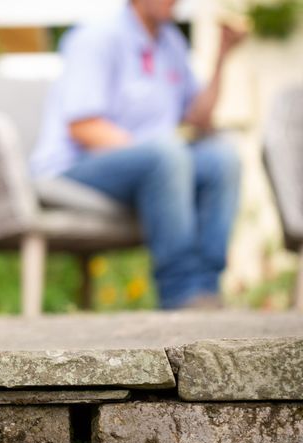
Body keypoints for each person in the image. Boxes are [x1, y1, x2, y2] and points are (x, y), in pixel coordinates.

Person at [30, 0, 246, 309]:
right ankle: (181, 293)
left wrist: (223, 55)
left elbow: (198, 119)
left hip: (154, 163)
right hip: (74, 166)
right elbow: (84, 127)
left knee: (222, 158)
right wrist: (154, 152)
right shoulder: (97, 37)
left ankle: (207, 289)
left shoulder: (171, 42)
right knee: (167, 154)